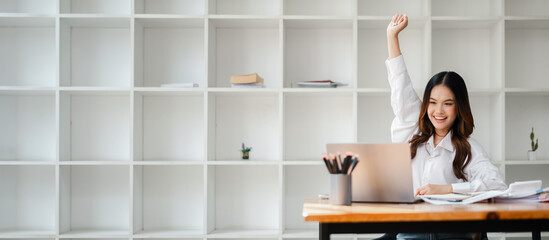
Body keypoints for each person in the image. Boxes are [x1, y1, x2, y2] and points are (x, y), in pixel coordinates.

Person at [382, 14, 508, 240]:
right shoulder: (413, 134)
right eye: (432, 103)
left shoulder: (468, 148)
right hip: (407, 227)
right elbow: (400, 88)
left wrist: (448, 189)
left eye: (448, 104)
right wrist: (392, 37)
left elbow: (496, 184)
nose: (438, 111)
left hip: (447, 233)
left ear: (459, 107)